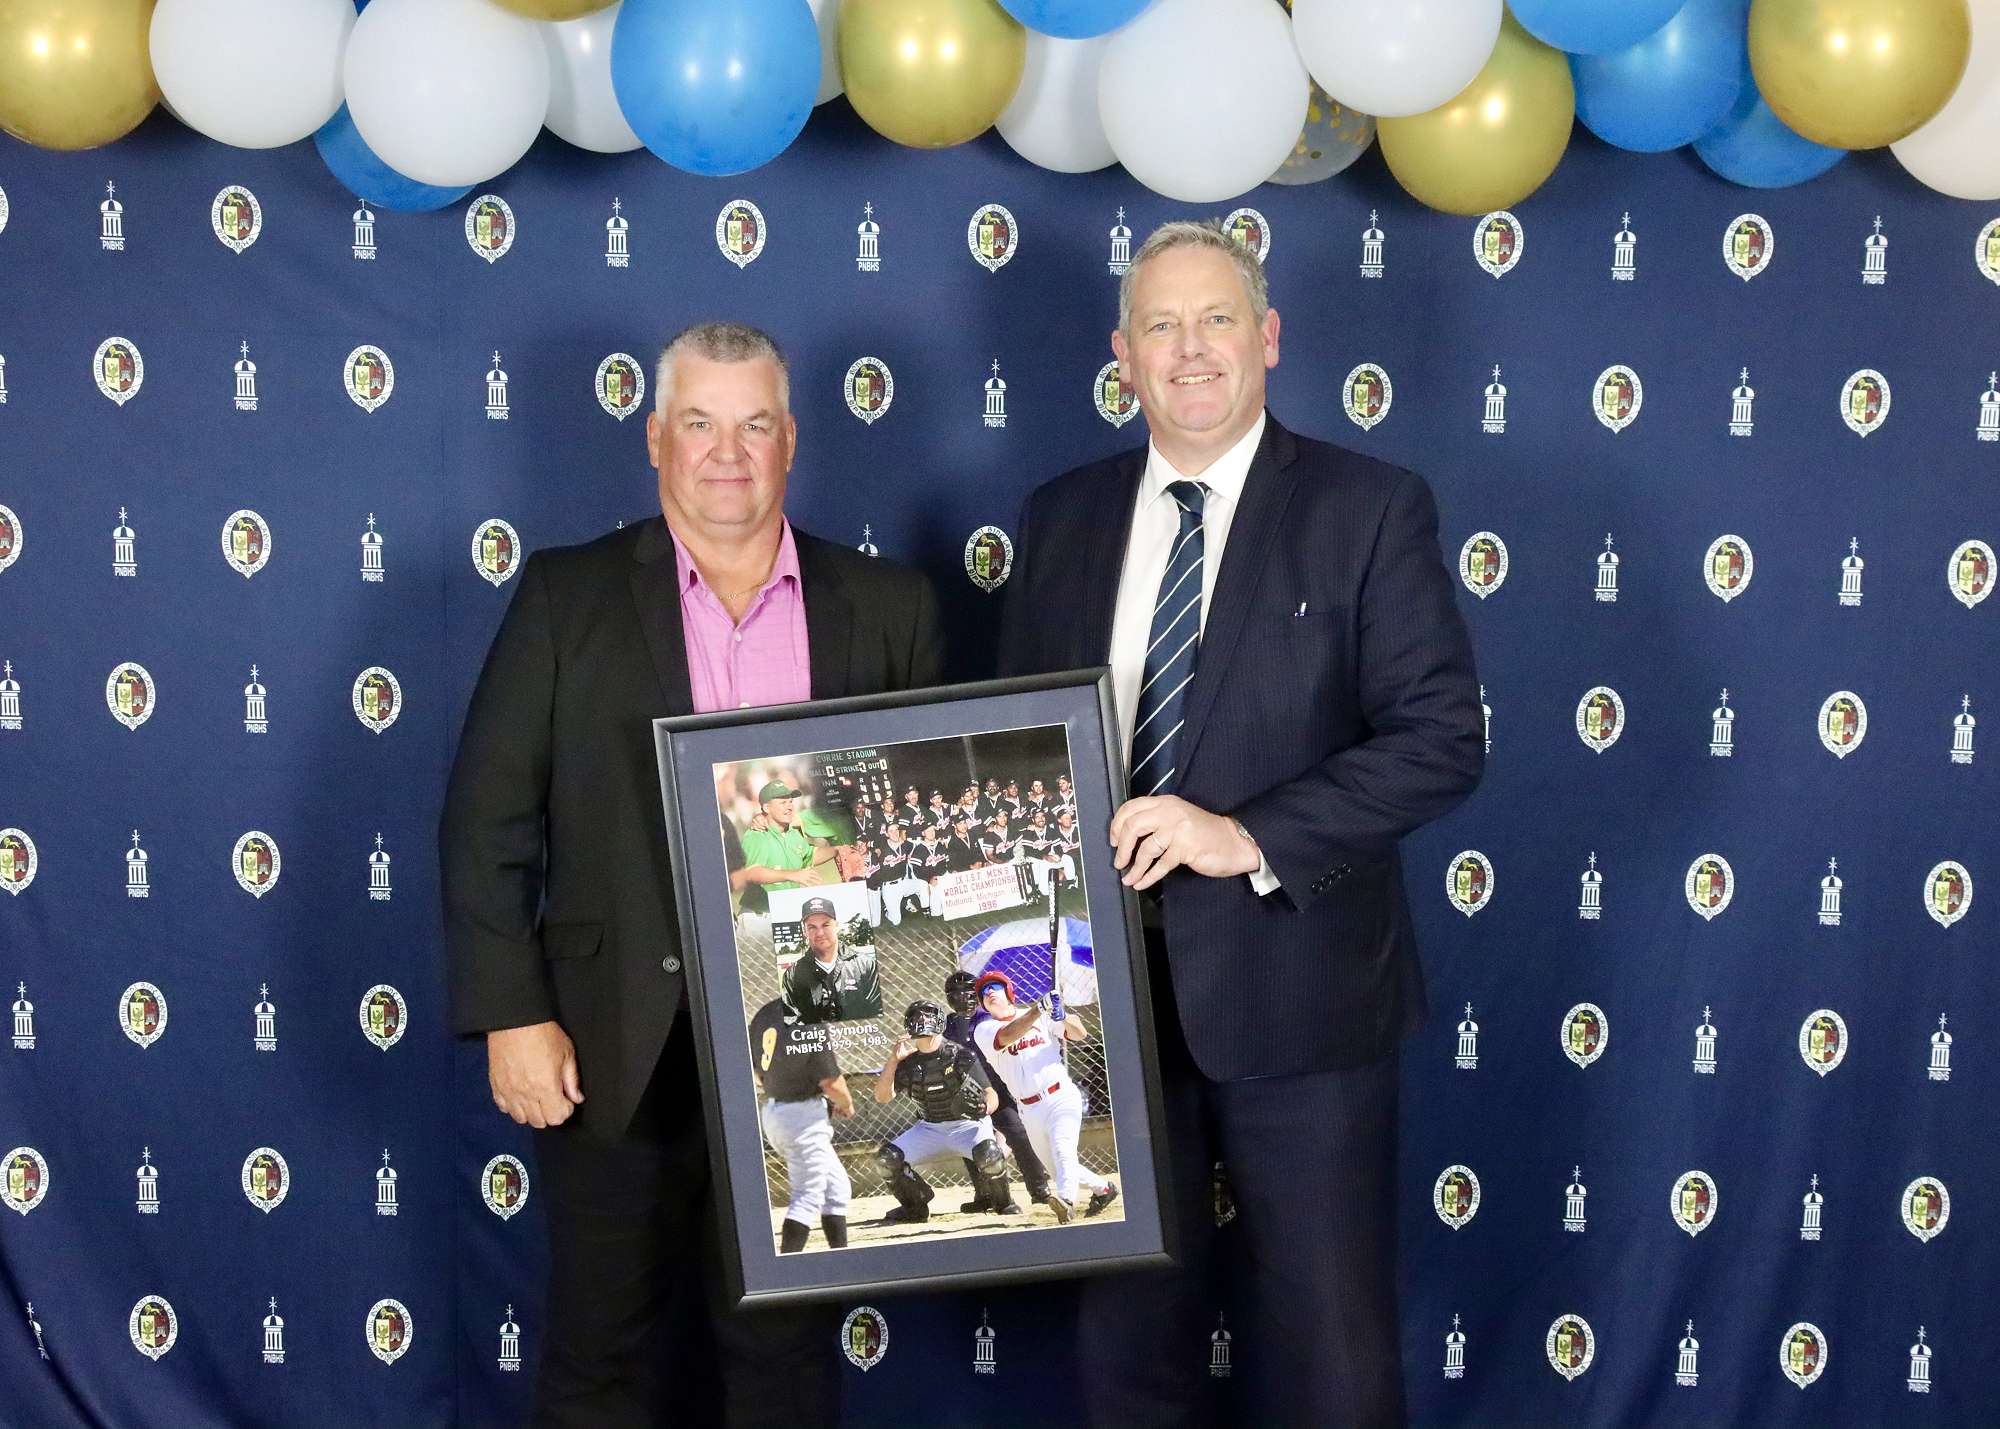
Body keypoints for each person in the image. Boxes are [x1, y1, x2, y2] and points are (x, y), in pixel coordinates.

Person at [997, 220, 1483, 1427]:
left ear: (1266, 337)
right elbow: (1020, 752)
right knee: (1124, 1355)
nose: (1189, 348)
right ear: (1121, 355)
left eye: (1215, 318)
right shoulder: (1060, 517)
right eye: (1159, 325)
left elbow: (1439, 739)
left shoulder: (1368, 506)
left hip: (1301, 995)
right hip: (1102, 1010)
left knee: (1330, 1356)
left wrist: (1244, 834)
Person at [441, 319, 944, 1428]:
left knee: (785, 1363)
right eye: (701, 424)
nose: (729, 452)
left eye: (754, 425)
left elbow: (915, 831)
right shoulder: (565, 595)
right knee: (602, 1358)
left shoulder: (888, 605)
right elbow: (486, 822)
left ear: (790, 440)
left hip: (802, 1040)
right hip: (616, 1040)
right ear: (655, 437)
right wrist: (514, 1014)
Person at [970, 971, 1112, 1225]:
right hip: (1028, 1108)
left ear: (1009, 992)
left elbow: (1079, 1033)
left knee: (1063, 1150)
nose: (989, 991)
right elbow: (1007, 1035)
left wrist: (1063, 1016)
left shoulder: (1040, 1014)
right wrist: (1039, 1009)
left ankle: (1066, 1202)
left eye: (995, 986)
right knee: (1057, 1168)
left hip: (1060, 1096)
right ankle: (1104, 1189)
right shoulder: (984, 1029)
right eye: (983, 991)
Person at [870, 1000, 1005, 1224]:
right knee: (886, 1160)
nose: (922, 1020)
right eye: (917, 1016)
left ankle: (1003, 1203)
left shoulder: (960, 1055)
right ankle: (916, 1205)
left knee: (990, 1155)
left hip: (968, 1124)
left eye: (927, 1015)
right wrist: (893, 1060)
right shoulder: (908, 1063)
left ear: (939, 1021)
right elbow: (882, 1097)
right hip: (929, 1128)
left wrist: (986, 1107)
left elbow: (991, 1094)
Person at [747, 996, 853, 1254]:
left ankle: (841, 1257)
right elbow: (831, 1083)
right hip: (802, 1118)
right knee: (807, 1197)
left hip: (776, 1112)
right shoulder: (807, 1018)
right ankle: (787, 1265)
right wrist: (846, 1104)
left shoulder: (765, 1013)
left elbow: (758, 1075)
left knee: (836, 1189)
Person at [943, 969, 1049, 1213]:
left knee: (1018, 1134)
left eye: (967, 991)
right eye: (955, 993)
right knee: (970, 1140)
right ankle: (985, 1195)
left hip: (997, 1089)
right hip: (967, 1092)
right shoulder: (947, 1025)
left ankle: (1039, 1189)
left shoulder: (988, 1019)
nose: (962, 997)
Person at [735, 780, 849, 922]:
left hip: (785, 911)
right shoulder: (756, 835)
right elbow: (752, 873)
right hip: (758, 915)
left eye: (790, 802)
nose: (789, 807)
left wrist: (838, 850)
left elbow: (809, 856)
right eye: (782, 803)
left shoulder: (792, 833)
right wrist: (793, 875)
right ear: (766, 808)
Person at [782, 897, 882, 1023]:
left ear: (836, 926)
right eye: (812, 927)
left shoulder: (866, 965)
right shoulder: (793, 975)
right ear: (804, 931)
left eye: (826, 925)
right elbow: (789, 1020)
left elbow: (878, 1014)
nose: (820, 933)